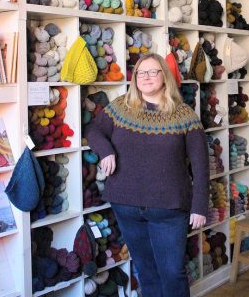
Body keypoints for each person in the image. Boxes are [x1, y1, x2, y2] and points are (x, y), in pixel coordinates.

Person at [87, 53, 209, 297]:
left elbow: (200, 164)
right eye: (142, 72)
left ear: (165, 77)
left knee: (172, 272)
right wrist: (106, 151)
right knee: (146, 271)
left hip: (169, 209)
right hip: (126, 205)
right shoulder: (121, 107)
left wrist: (200, 207)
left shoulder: (183, 115)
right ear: (135, 78)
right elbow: (94, 131)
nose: (146, 77)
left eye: (153, 72)